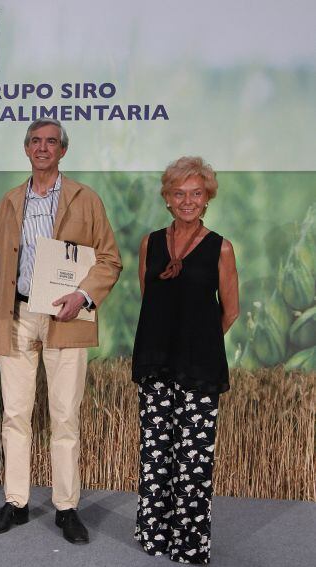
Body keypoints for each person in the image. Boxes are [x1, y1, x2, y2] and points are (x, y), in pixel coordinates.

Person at [0, 119, 122, 543]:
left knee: (64, 415)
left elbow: (109, 260)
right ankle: (16, 502)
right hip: (18, 317)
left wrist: (82, 295)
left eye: (51, 142)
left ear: (63, 151)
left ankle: (66, 507)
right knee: (15, 415)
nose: (43, 148)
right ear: (26, 149)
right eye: (36, 142)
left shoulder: (85, 199)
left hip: (67, 318)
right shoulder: (9, 202)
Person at [132, 156, 239, 564]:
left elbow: (229, 311)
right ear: (167, 198)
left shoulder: (221, 247)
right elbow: (151, 297)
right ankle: (154, 536)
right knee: (155, 454)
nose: (188, 200)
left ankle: (190, 545)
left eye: (196, 193)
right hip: (156, 362)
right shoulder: (151, 243)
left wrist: (197, 344)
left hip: (199, 370)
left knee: (193, 462)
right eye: (180, 193)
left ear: (207, 198)